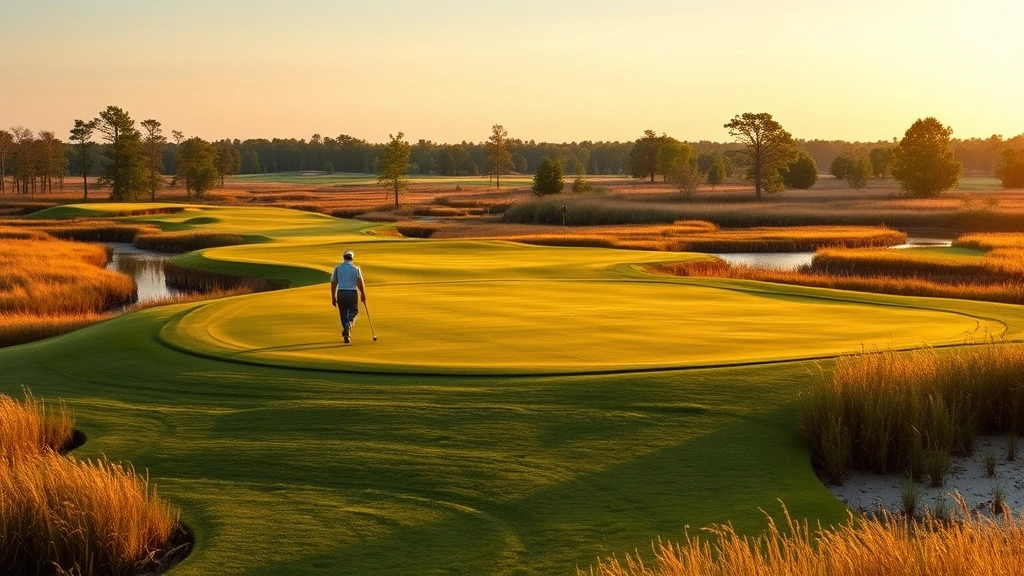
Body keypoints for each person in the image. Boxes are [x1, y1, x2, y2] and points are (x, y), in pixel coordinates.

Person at [330, 250, 366, 344]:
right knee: (354, 312)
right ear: (352, 258)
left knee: (343, 314)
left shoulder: (337, 268)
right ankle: (348, 328)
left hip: (341, 292)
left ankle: (347, 333)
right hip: (352, 293)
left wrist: (333, 297)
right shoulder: (356, 268)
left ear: (343, 257)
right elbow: (360, 283)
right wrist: (363, 294)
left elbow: (333, 283)